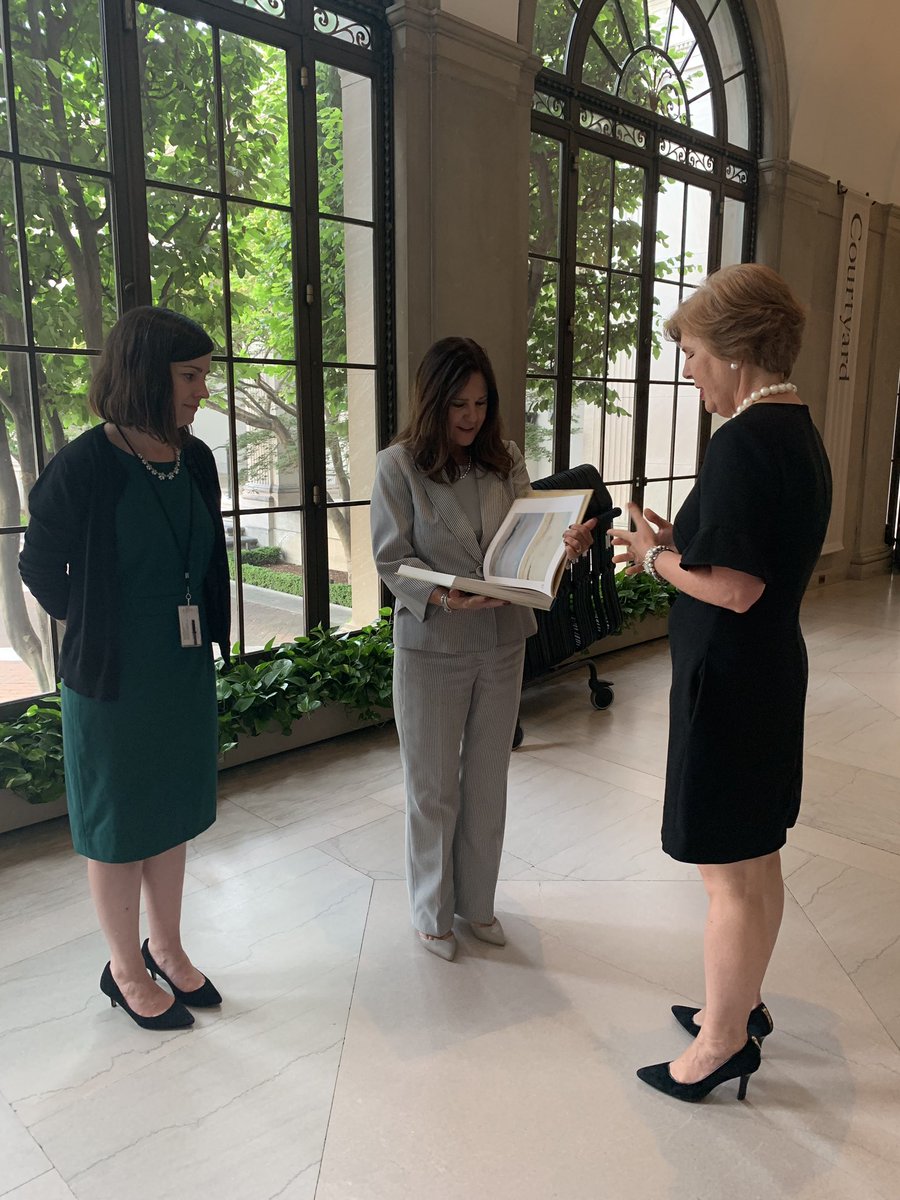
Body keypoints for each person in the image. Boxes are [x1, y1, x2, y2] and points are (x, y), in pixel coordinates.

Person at [612, 264, 832, 1101]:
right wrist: (684, 539)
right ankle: (738, 1005)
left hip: (732, 683)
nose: (690, 371)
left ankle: (722, 1043)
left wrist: (653, 558)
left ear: (737, 351)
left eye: (695, 354)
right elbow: (751, 550)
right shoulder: (793, 428)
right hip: (766, 673)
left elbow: (737, 588)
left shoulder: (741, 441)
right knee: (756, 856)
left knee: (728, 875)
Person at [19, 307, 230, 1031]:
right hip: (111, 678)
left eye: (204, 375)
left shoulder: (193, 458)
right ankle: (124, 969)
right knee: (118, 826)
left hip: (180, 666)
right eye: (190, 376)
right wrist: (94, 620)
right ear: (146, 374)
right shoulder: (84, 465)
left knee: (169, 813)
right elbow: (39, 566)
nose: (202, 390)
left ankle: (165, 947)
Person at [371, 337, 596, 961]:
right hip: (433, 644)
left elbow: (529, 540)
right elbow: (391, 561)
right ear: (432, 402)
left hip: (502, 641)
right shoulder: (398, 467)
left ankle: (477, 904)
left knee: (488, 781)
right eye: (458, 404)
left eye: (480, 402)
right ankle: (431, 913)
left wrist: (563, 546)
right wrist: (447, 598)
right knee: (432, 787)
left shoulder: (506, 460)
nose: (471, 416)